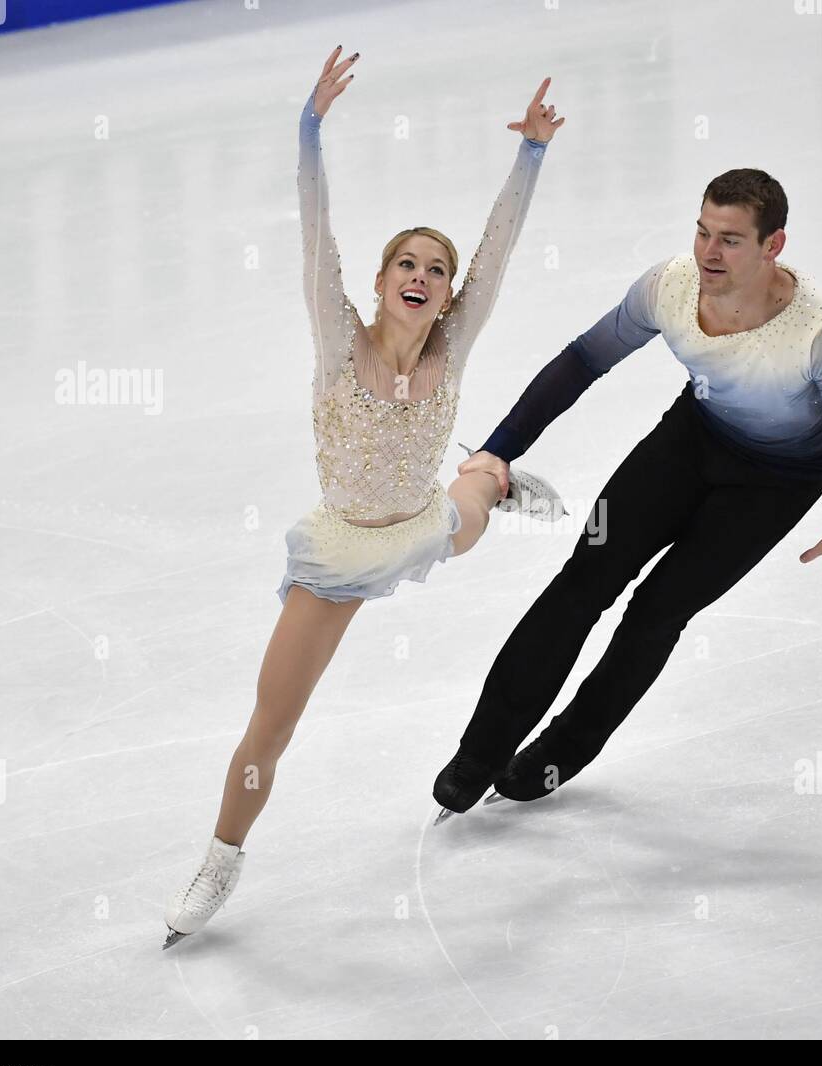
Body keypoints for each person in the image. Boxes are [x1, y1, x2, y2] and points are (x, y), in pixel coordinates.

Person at [164, 47, 566, 947]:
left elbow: (497, 251)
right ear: (382, 282)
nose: (420, 277)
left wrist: (530, 154)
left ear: (446, 293)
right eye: (405, 265)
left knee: (465, 510)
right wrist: (308, 131)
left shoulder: (449, 350)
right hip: (342, 552)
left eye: (436, 269)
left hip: (423, 521)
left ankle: (493, 477)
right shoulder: (339, 341)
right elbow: (318, 237)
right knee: (274, 722)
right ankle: (220, 859)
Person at [432, 166, 822, 816]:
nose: (710, 251)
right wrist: (500, 448)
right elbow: (581, 362)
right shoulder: (670, 287)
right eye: (704, 231)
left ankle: (566, 747)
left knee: (656, 611)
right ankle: (479, 752)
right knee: (585, 577)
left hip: (777, 483)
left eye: (731, 239)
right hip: (693, 438)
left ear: (773, 245)